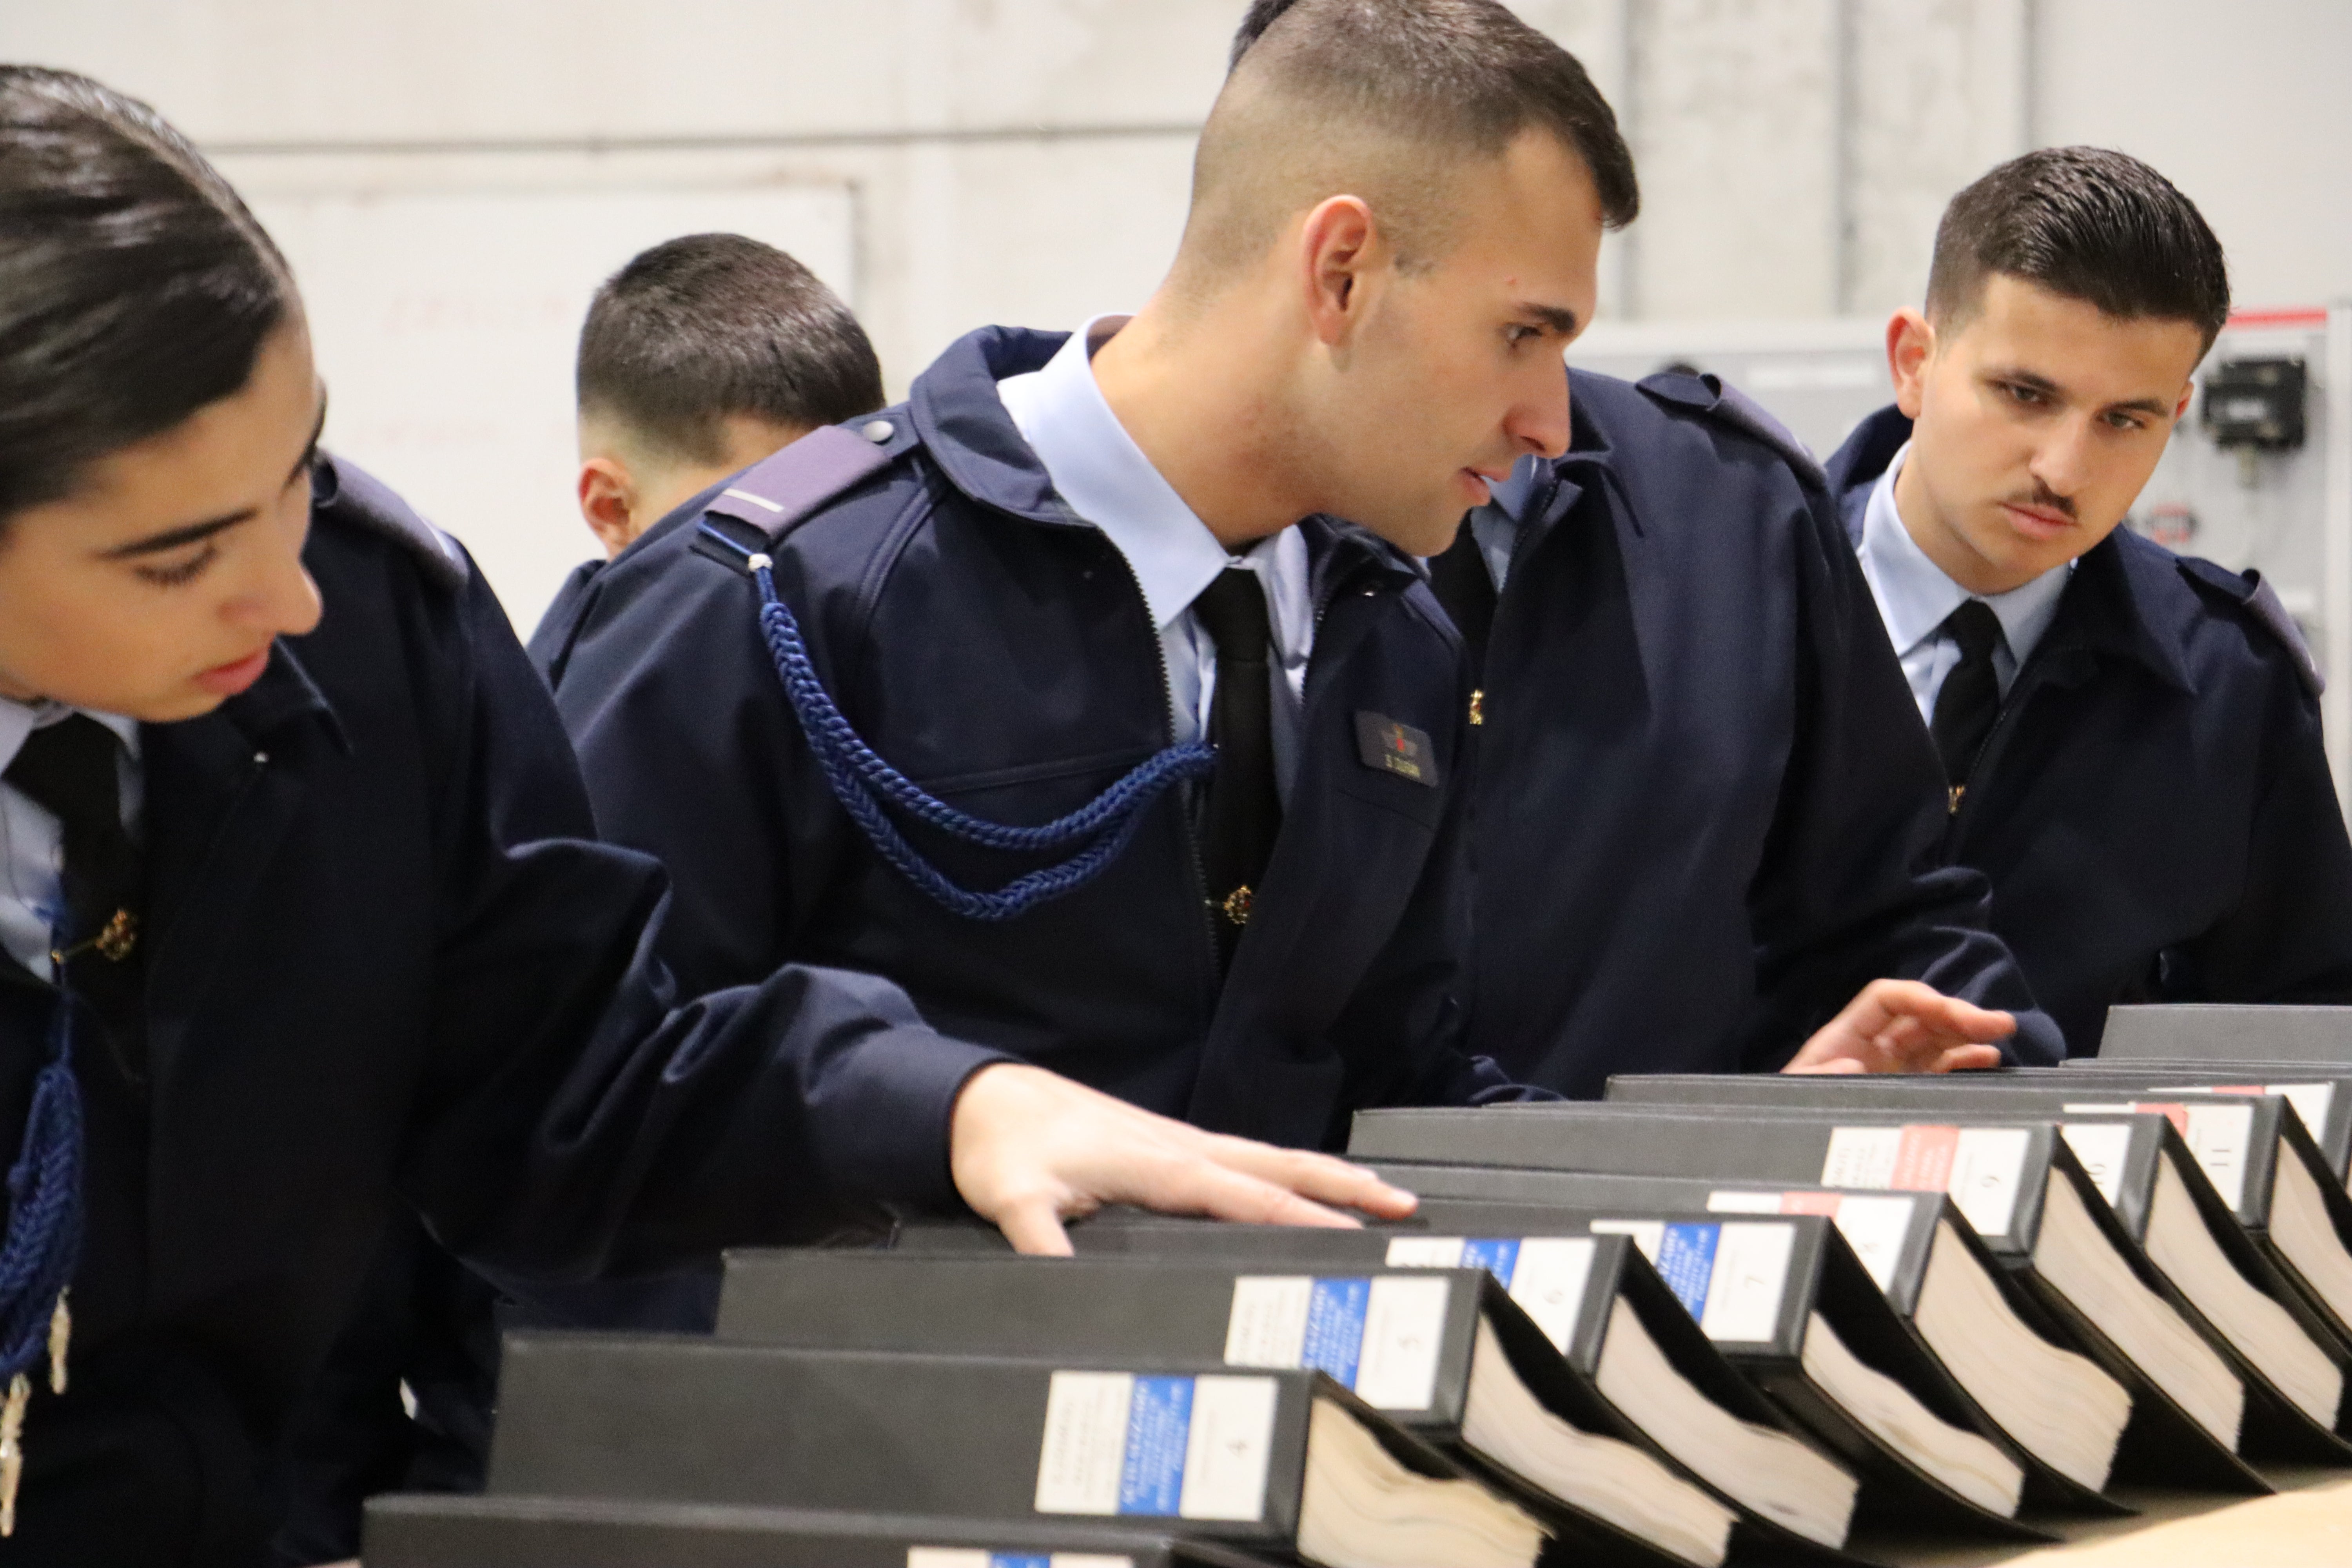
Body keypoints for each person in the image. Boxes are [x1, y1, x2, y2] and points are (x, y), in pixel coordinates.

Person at [0, 66, 1410, 1566]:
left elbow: (559, 1085)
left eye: (298, 473)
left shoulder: (370, 635)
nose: (283, 591)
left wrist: (941, 1101)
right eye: (175, 558)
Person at [536, 0, 1982, 1161]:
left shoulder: (1388, 639)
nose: (1552, 423)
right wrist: (938, 1108)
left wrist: (1728, 1159)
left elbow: (1389, 1094)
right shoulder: (775, 598)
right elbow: (560, 1102)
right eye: (1521, 335)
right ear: (1340, 271)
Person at [1220, 0, 2050, 1097]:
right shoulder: (1195, 561)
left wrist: (2030, 1140)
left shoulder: (1734, 513)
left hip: (1657, 1246)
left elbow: (1883, 916)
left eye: (1546, 332)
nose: (1542, 417)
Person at [279, 230, 895, 1568]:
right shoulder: (505, 741)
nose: (807, 571)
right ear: (609, 506)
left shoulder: (862, 707)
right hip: (570, 1463)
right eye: (750, 521)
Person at [1826, 146, 2352, 1055]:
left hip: (2064, 1194)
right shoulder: (1728, 615)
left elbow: (2300, 1037)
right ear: (1914, 362)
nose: (2064, 471)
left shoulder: (2229, 685)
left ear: (2177, 413)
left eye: (2124, 420)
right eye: (2025, 394)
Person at [532, 232, 883, 667]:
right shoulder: (537, 730)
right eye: (761, 517)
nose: (823, 557)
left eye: (854, 511)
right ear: (614, 509)